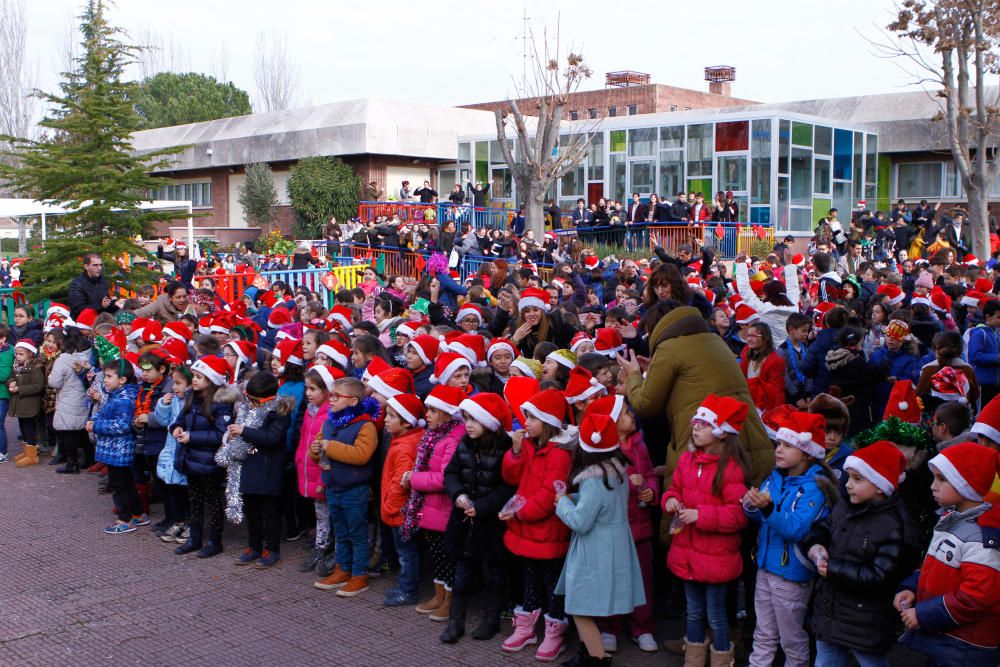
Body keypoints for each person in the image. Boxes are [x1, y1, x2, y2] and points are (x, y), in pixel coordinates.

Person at [620, 300, 774, 487]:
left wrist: (634, 374)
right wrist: (653, 369)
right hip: (748, 437)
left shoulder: (668, 347)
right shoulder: (714, 339)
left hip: (707, 445)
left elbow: (645, 404)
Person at [803, 441, 920, 667]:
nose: (848, 484)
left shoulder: (895, 525)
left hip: (865, 620)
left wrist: (833, 570)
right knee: (825, 660)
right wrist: (816, 546)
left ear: (879, 485)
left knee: (870, 662)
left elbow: (880, 576)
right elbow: (823, 529)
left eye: (858, 479)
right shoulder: (846, 506)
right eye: (849, 477)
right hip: (830, 610)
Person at [743, 411, 838, 667]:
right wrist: (752, 506)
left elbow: (797, 529)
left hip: (791, 574)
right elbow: (762, 517)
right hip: (765, 566)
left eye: (788, 445)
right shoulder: (775, 476)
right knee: (763, 635)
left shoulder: (815, 487)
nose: (779, 450)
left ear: (807, 453)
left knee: (792, 641)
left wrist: (767, 508)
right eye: (779, 444)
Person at [662, 394, 751, 667]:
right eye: (696, 423)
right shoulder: (688, 461)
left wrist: (701, 515)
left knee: (715, 614)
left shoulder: (732, 469)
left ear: (722, 433)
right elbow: (673, 489)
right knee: (693, 611)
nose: (696, 427)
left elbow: (737, 515)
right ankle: (694, 659)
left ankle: (722, 659)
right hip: (688, 552)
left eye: (703, 423)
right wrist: (671, 501)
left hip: (716, 557)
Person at [554, 409, 646, 665]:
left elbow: (580, 522)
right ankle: (589, 654)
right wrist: (574, 499)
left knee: (579, 607)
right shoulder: (616, 473)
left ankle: (596, 658)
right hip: (614, 543)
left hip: (594, 551)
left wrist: (562, 503)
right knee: (588, 604)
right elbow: (601, 506)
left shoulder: (594, 480)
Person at [897, 443, 1000, 666]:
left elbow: (976, 597)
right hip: (949, 640)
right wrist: (911, 588)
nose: (932, 486)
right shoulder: (950, 520)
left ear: (967, 485)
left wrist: (923, 614)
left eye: (942, 479)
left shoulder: (980, 537)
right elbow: (934, 568)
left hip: (966, 647)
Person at [500, 389, 576, 661]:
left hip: (546, 530)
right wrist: (516, 452)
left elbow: (548, 495)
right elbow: (511, 476)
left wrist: (521, 514)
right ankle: (527, 627)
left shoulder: (560, 454)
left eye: (532, 418)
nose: (526, 423)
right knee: (529, 577)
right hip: (526, 528)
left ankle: (555, 630)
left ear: (548, 421)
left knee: (552, 582)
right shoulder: (529, 445)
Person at [439, 393, 515, 643]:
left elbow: (507, 486)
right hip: (464, 521)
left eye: (474, 419)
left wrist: (482, 507)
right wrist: (458, 494)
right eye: (466, 418)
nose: (468, 424)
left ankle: (491, 620)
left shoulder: (504, 448)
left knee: (494, 573)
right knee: (461, 573)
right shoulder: (465, 443)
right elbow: (451, 473)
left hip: (491, 522)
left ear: (489, 422)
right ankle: (455, 622)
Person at [311, 377, 380, 597]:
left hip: (354, 489)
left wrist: (330, 447)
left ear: (352, 401)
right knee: (340, 532)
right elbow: (318, 451)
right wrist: (315, 449)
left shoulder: (366, 426)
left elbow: (361, 455)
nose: (330, 400)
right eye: (331, 395)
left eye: (336, 396)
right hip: (333, 486)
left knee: (357, 533)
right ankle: (342, 569)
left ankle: (359, 575)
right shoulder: (330, 422)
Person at [402, 385, 466, 619]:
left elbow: (443, 477)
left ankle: (450, 599)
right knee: (438, 554)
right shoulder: (434, 435)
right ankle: (439, 595)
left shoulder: (453, 438)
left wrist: (414, 478)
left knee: (447, 556)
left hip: (443, 508)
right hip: (431, 508)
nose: (426, 415)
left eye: (432, 411)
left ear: (447, 414)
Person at [171, 356, 238, 558]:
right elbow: (179, 419)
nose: (194, 380)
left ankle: (215, 541)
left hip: (209, 462)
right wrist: (176, 428)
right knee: (195, 500)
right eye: (195, 376)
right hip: (192, 459)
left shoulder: (221, 403)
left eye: (200, 377)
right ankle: (195, 538)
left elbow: (221, 435)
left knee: (213, 501)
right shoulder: (192, 397)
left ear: (211, 379)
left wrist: (192, 437)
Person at [227, 372, 292, 569]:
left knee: (269, 513)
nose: (251, 404)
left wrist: (244, 431)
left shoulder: (280, 412)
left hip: (268, 469)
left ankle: (272, 549)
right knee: (252, 510)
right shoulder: (248, 410)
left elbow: (271, 438)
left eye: (254, 400)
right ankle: (253, 545)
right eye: (248, 399)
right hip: (250, 467)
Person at [380, 393, 425, 606]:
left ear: (406, 421)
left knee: (406, 553)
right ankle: (405, 586)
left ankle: (408, 590)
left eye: (391, 416)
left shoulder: (405, 446)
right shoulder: (403, 440)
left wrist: (390, 506)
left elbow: (401, 481)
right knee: (407, 552)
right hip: (400, 510)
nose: (385, 419)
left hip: (399, 512)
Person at [90, 359, 143, 534]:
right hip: (116, 449)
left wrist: (96, 425)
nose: (105, 380)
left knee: (118, 484)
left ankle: (124, 519)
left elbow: (121, 425)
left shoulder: (123, 400)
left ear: (122, 380)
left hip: (118, 449)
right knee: (127, 481)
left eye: (109, 376)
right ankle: (137, 513)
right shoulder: (116, 395)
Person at [154, 362, 191, 543]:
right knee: (173, 489)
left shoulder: (192, 402)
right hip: (171, 450)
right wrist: (163, 405)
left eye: (178, 383)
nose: (174, 387)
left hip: (185, 451)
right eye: (173, 382)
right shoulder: (174, 399)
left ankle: (190, 523)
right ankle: (178, 521)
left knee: (187, 491)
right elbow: (162, 421)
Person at [8, 339, 45, 468]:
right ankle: (26, 452)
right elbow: (11, 377)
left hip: (29, 404)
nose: (18, 357)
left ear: (30, 353)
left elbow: (38, 386)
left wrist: (20, 389)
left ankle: (32, 456)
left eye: (21, 354)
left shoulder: (35, 368)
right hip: (20, 404)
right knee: (22, 428)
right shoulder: (17, 367)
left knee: (29, 429)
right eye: (17, 354)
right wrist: (11, 382)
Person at [739, 322, 786, 411]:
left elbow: (777, 391)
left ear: (765, 338)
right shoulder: (745, 356)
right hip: (747, 404)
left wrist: (777, 412)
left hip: (764, 408)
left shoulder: (776, 361)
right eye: (748, 336)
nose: (749, 339)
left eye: (753, 336)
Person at [66, 253, 118, 318]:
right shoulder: (77, 284)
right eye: (95, 265)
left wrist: (115, 304)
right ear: (86, 267)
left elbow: (106, 305)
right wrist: (100, 306)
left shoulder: (103, 281)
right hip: (82, 324)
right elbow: (78, 308)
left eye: (100, 265)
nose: (99, 268)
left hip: (100, 322)